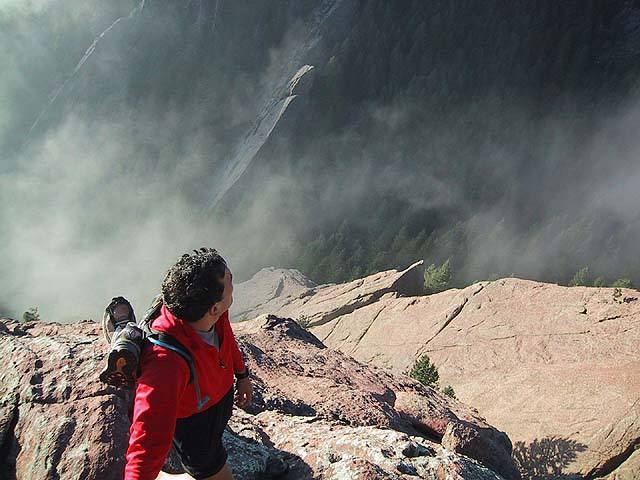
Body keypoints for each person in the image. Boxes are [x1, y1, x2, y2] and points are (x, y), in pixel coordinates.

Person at [102, 248, 252, 480]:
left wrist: (242, 375)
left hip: (216, 399)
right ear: (214, 308)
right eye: (230, 278)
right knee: (208, 467)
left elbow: (227, 338)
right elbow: (147, 443)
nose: (234, 281)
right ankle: (125, 337)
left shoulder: (211, 311)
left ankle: (127, 331)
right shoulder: (165, 365)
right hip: (194, 421)